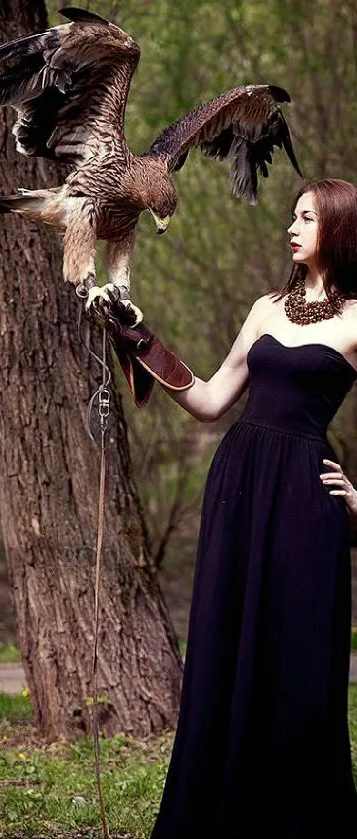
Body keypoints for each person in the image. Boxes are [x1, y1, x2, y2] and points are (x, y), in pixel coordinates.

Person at [136, 177, 357, 838]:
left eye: (307, 218)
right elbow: (207, 399)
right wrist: (141, 341)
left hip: (304, 503)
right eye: (291, 216)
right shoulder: (264, 308)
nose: (291, 227)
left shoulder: (356, 319)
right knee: (225, 648)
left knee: (295, 662)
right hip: (237, 490)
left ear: (339, 229)